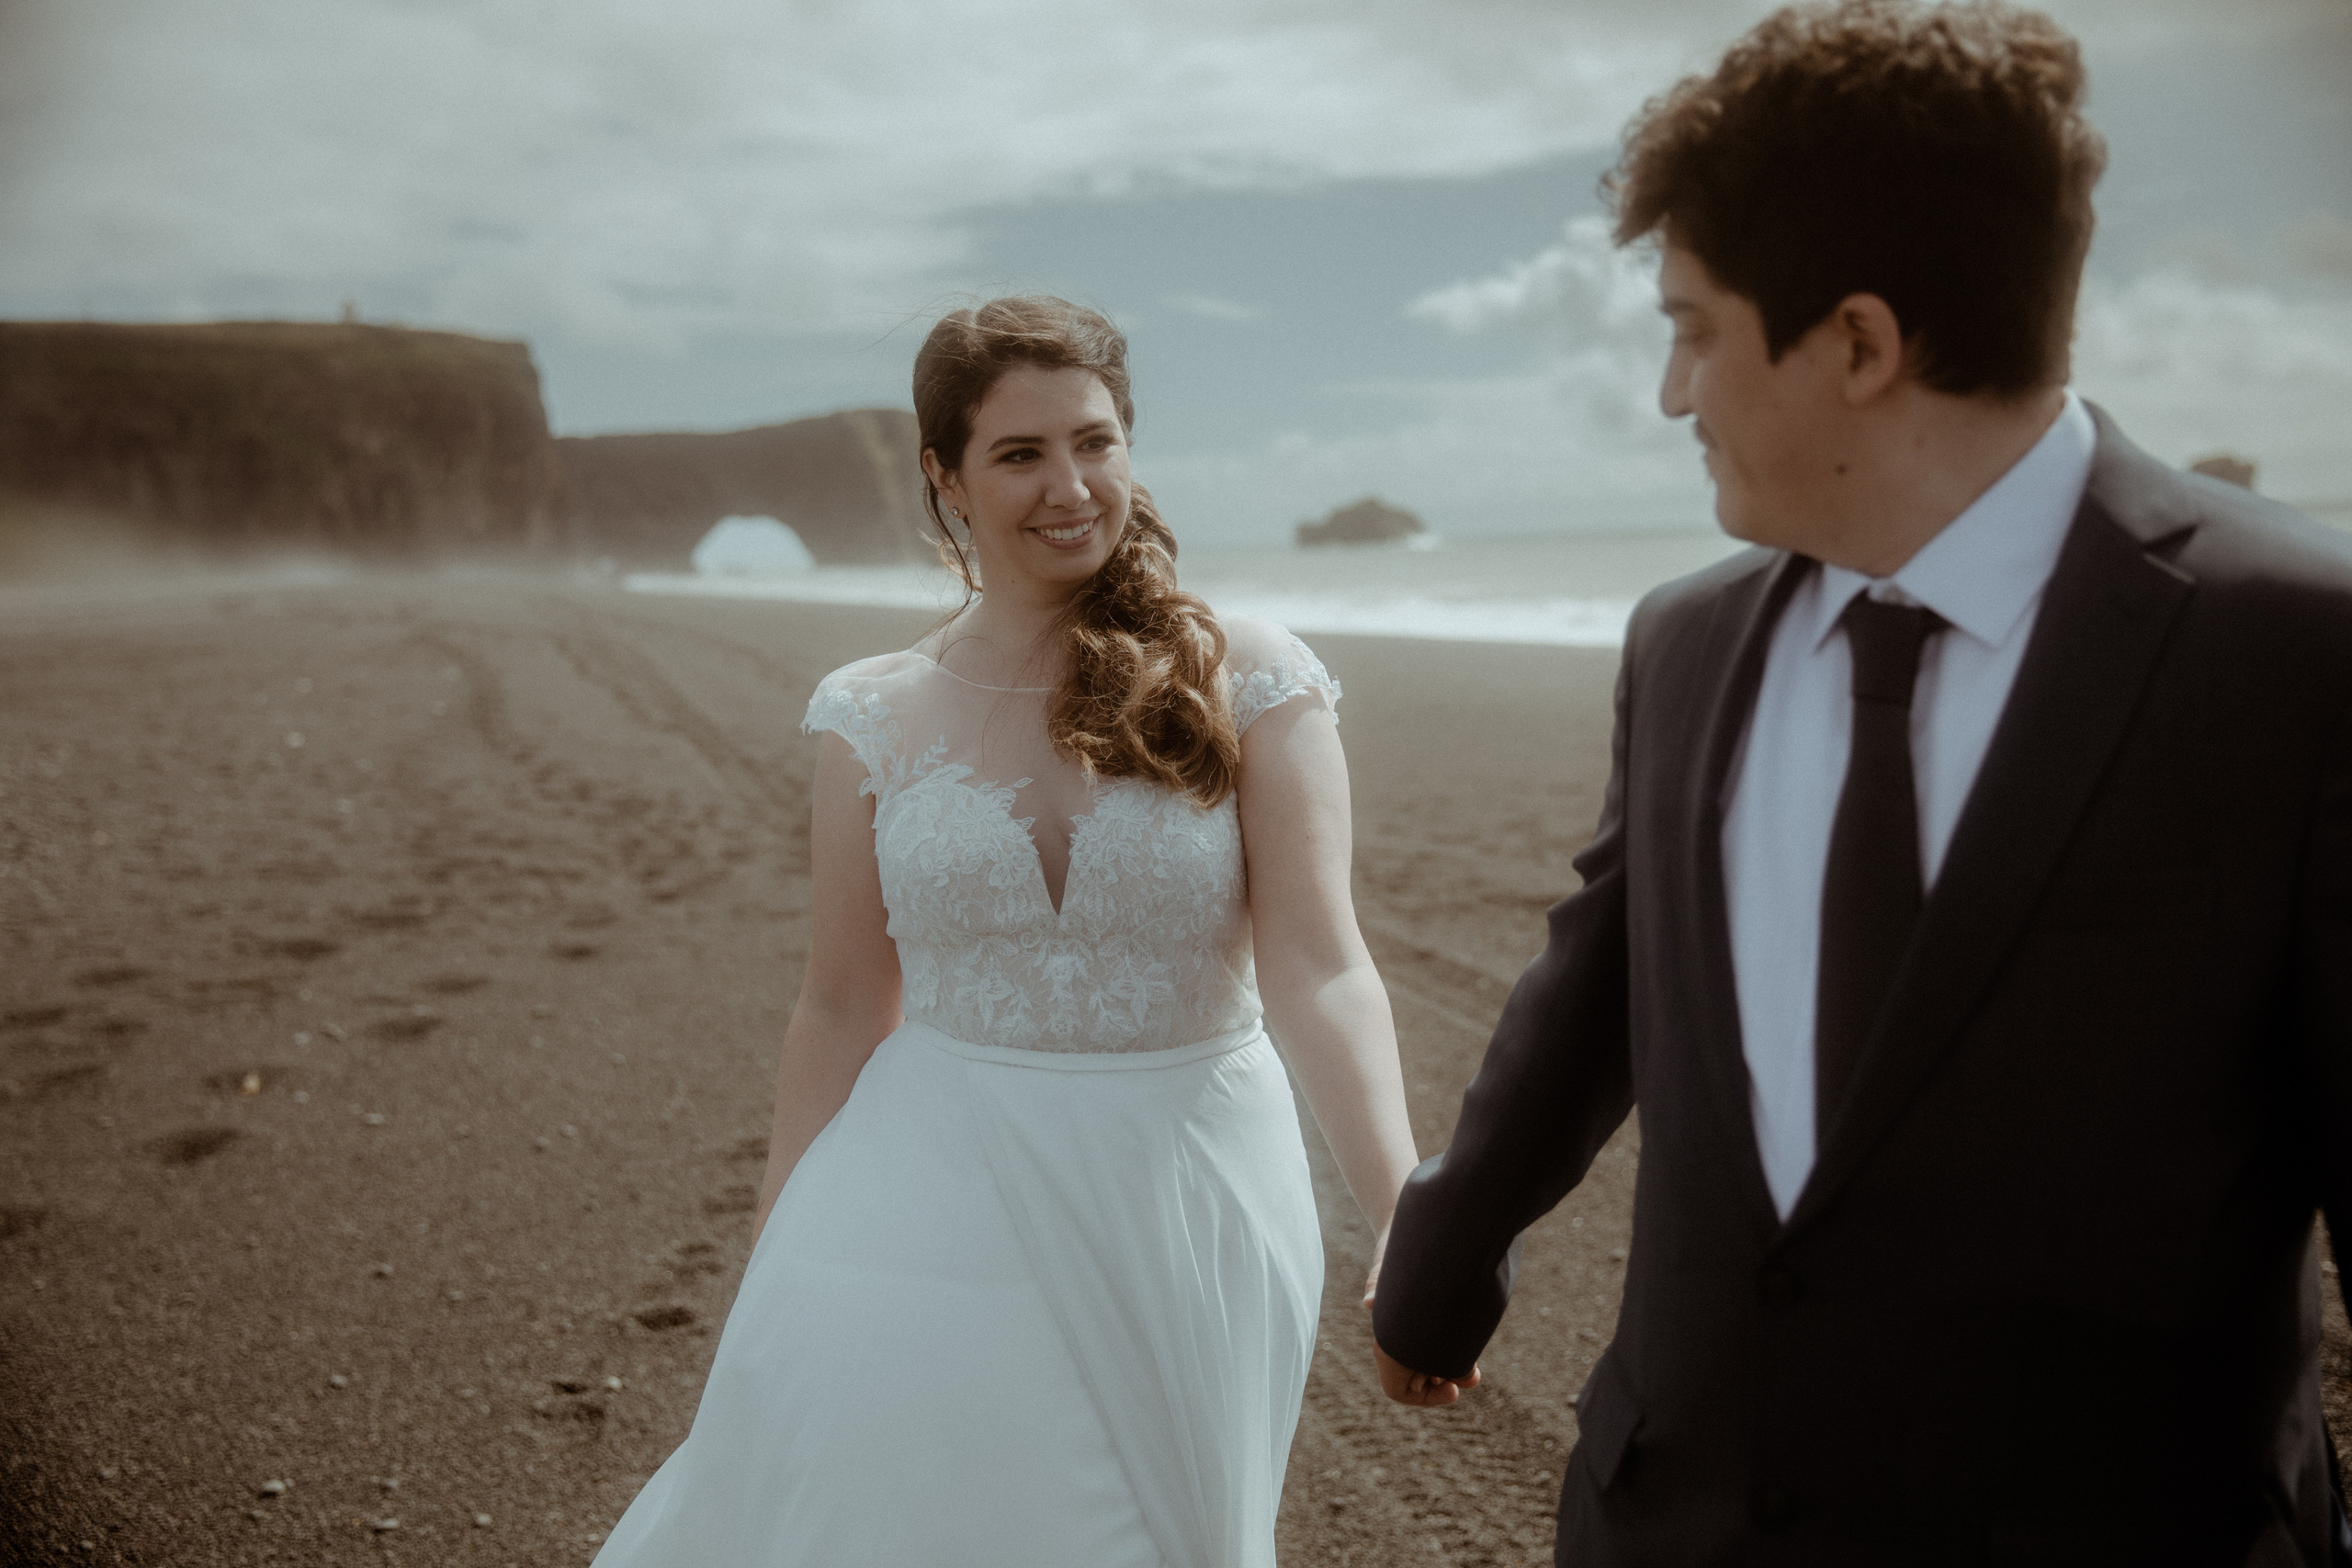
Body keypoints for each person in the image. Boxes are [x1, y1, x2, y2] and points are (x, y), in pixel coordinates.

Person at [1369, 3, 2352, 1563]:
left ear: (1860, 344)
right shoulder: (1684, 645)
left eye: (1693, 327)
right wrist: (1441, 1257)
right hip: (1672, 1521)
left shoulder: (2301, 653)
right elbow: (1609, 971)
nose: (1673, 394)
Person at [593, 295, 1422, 1568]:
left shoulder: (1248, 674)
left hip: (1190, 1181)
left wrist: (1405, 1214)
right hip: (920, 1182)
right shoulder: (869, 714)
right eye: (1020, 454)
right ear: (946, 478)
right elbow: (838, 1006)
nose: (1070, 486)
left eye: (1096, 441)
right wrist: (777, 1247)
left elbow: (1320, 965)